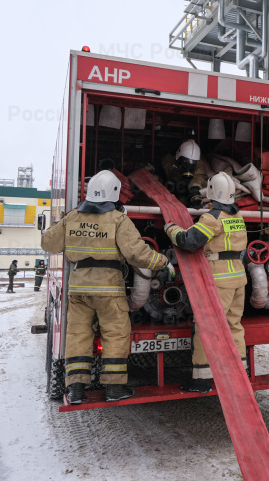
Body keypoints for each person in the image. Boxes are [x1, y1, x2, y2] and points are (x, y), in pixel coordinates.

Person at [41, 170, 174, 404]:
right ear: (114, 193)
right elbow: (136, 253)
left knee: (78, 335)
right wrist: (163, 263)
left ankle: (75, 391)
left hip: (79, 289)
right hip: (109, 291)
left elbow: (48, 243)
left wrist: (59, 222)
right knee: (115, 335)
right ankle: (114, 390)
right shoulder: (118, 219)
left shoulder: (72, 217)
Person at [165, 172, 248, 393]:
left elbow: (188, 241)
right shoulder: (238, 217)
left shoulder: (212, 218)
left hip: (219, 281)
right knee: (234, 325)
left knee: (206, 327)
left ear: (211, 192)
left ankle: (201, 379)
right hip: (239, 279)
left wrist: (170, 229)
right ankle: (240, 374)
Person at [160, 139, 212, 208]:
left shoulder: (199, 163)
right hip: (172, 189)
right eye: (186, 161)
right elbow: (162, 171)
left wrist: (195, 191)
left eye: (193, 162)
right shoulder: (169, 161)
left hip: (187, 191)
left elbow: (200, 176)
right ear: (179, 157)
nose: (189, 165)